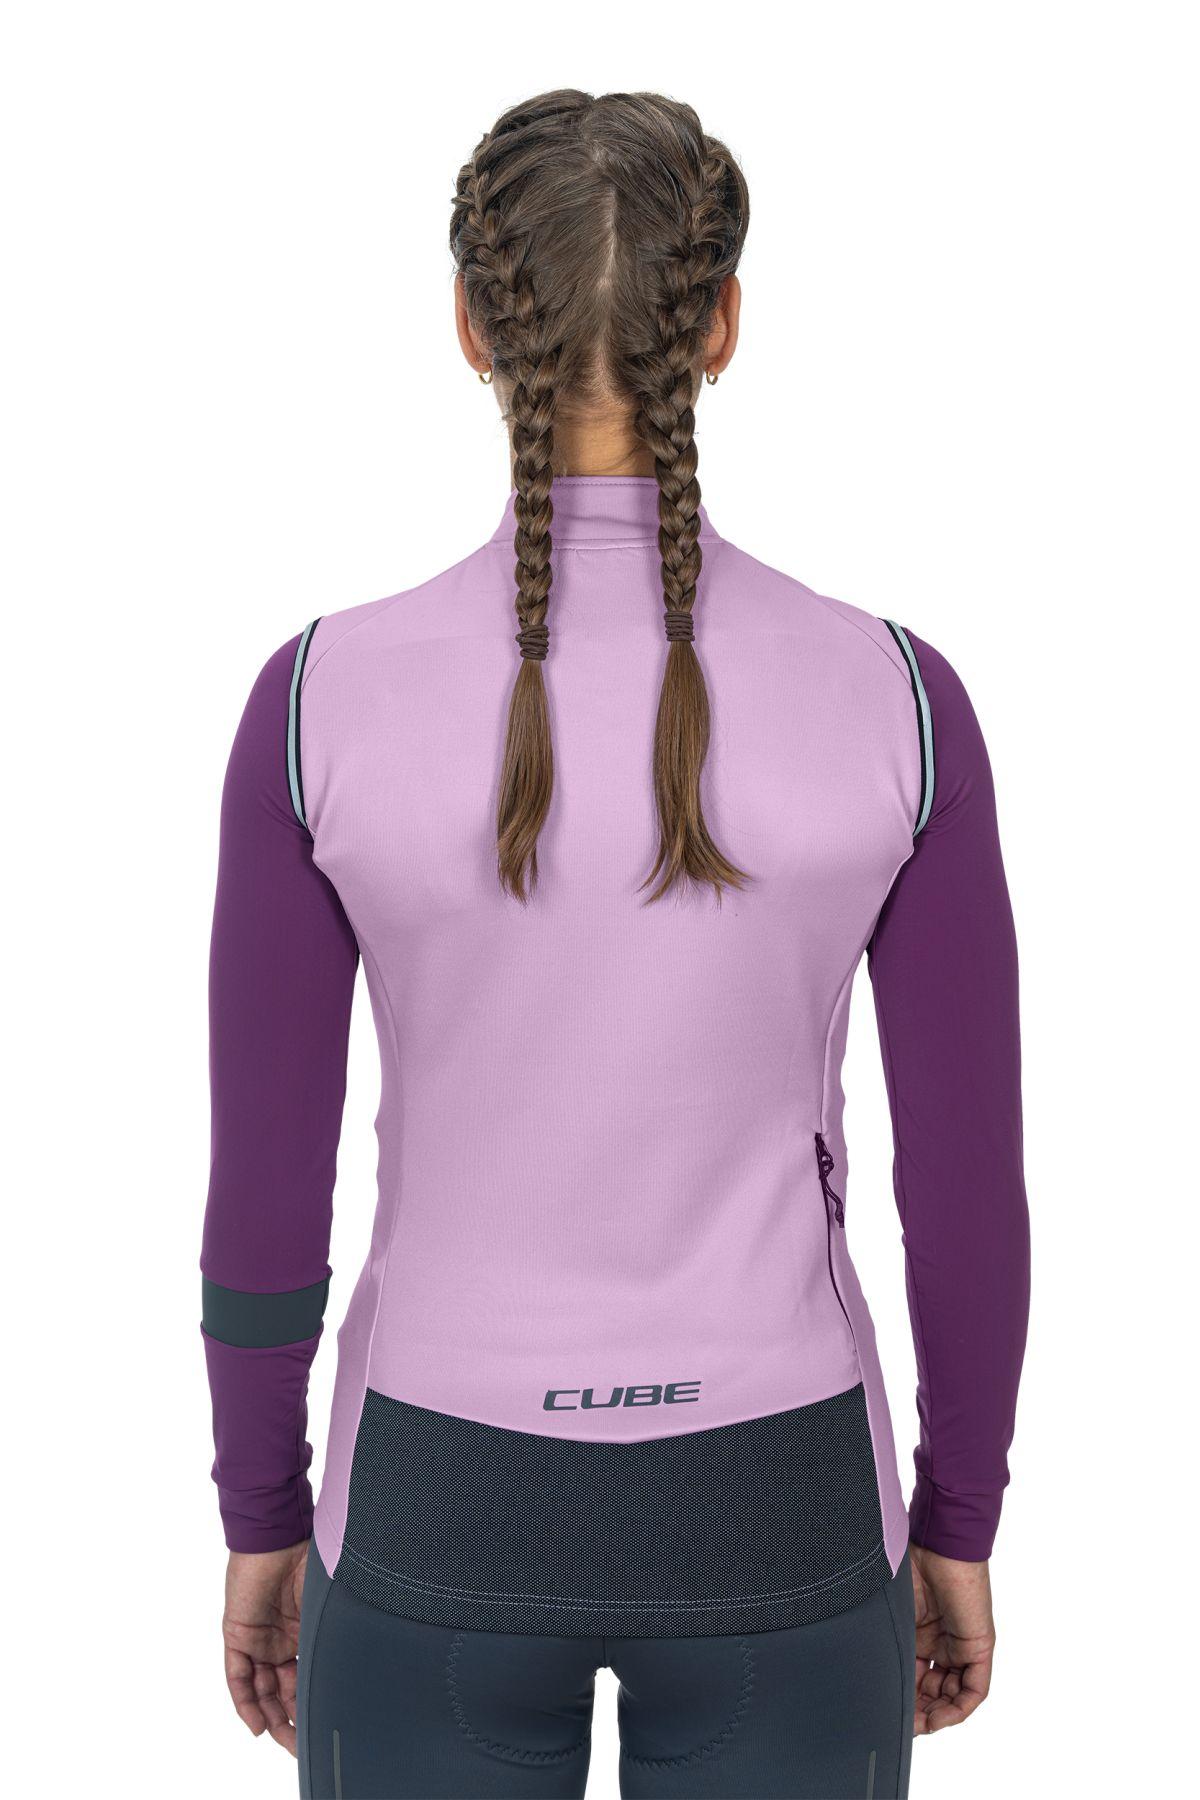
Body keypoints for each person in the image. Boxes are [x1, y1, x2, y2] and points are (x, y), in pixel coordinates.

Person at [201, 90, 1029, 1800]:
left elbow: (266, 1199)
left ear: (469, 324)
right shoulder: (900, 702)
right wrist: (955, 1519)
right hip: (784, 1513)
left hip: (428, 1506)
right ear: (720, 325)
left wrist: (261, 1511)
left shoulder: (316, 705)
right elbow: (966, 1197)